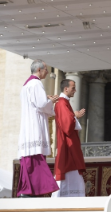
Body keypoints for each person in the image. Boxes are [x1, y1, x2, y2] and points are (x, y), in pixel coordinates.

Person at [17, 59, 59, 197]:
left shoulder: (26, 85)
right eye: (46, 69)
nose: (47, 71)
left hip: (27, 128)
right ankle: (36, 190)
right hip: (35, 127)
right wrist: (51, 101)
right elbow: (41, 104)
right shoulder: (36, 83)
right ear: (39, 70)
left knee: (30, 160)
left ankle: (28, 190)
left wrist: (46, 99)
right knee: (36, 158)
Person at [51, 79, 86, 197]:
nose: (75, 90)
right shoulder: (61, 103)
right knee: (68, 173)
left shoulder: (65, 102)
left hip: (71, 144)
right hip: (68, 146)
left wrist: (74, 117)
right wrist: (75, 116)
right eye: (73, 88)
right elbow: (67, 126)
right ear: (66, 89)